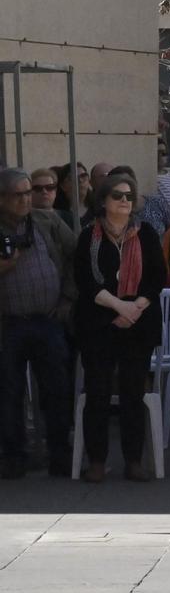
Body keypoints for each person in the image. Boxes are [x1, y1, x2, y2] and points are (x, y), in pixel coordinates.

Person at [71, 175, 165, 481]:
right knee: (97, 390)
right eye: (117, 195)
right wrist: (118, 306)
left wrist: (134, 307)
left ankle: (133, 460)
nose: (124, 201)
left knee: (132, 391)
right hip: (99, 323)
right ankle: (97, 460)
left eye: (129, 196)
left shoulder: (146, 234)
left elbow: (156, 276)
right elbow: (85, 280)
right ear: (103, 201)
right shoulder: (89, 237)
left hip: (138, 323)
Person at [0, 167, 77, 477]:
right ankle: (14, 456)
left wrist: (68, 298)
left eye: (27, 192)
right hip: (9, 324)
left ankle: (60, 453)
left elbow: (76, 255)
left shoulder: (46, 220)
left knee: (57, 388)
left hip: (48, 319)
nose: (26, 200)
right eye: (17, 195)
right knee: (9, 391)